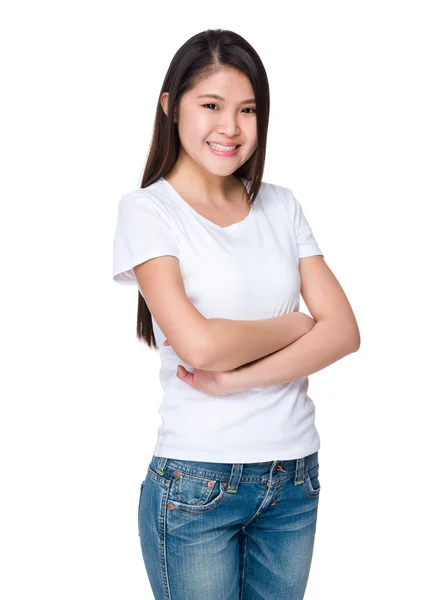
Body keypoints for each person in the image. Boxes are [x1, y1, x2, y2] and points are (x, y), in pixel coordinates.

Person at [112, 28, 360, 600]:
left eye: (247, 109)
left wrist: (237, 378)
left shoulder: (281, 204)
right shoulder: (148, 211)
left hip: (293, 477)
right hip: (196, 482)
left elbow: (344, 331)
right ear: (171, 107)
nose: (231, 127)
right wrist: (298, 326)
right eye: (211, 105)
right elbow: (197, 345)